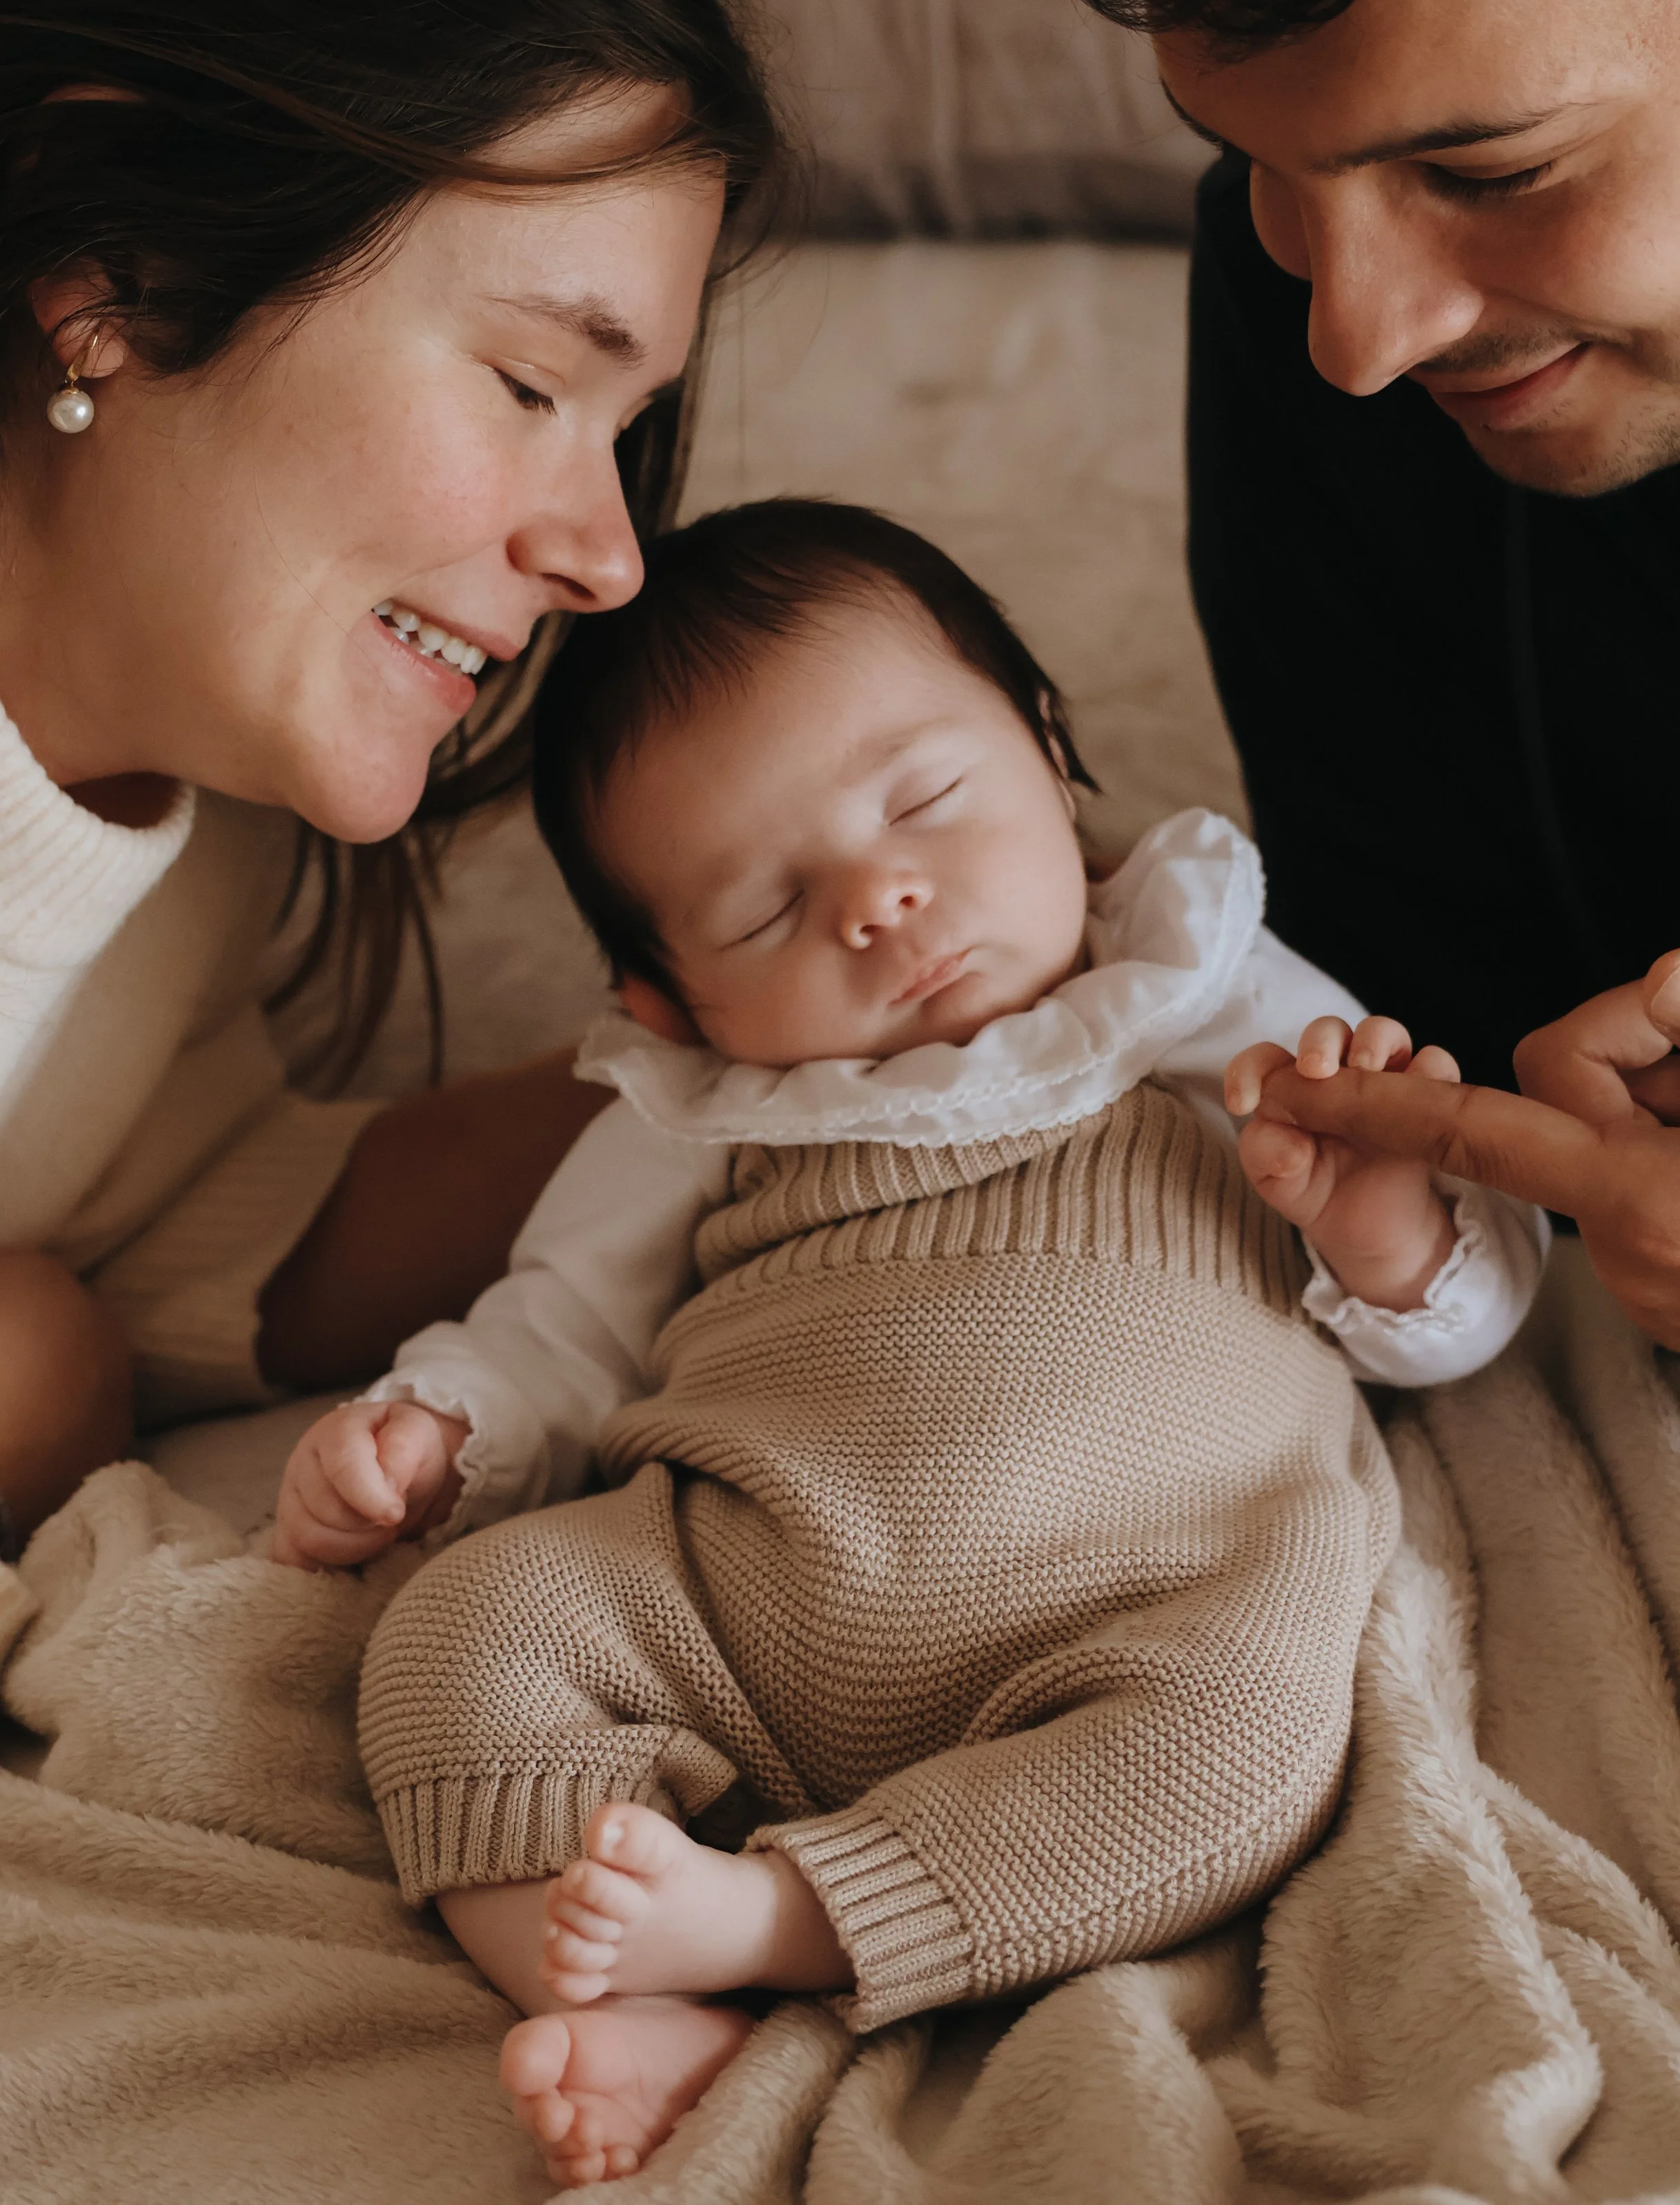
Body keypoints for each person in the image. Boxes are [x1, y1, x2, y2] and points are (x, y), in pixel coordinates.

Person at [288, 502, 1540, 2186]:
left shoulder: (1196, 982)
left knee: (1248, 1747)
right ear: (669, 1009)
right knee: (453, 1634)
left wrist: (1377, 1220)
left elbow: (1460, 1316)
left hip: (1145, 1590)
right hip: (732, 1598)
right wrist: (437, 1432)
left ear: (1044, 747)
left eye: (923, 801)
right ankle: (623, 1986)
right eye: (762, 908)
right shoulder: (697, 1107)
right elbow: (560, 1326)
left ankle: (774, 1922)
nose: (878, 899)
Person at [0, 0, 782, 1559]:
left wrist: (794, 1043)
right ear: (123, 256)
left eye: (627, 427)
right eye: (530, 384)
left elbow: (177, 1206)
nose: (608, 556)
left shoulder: (194, 799)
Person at [980, 0, 1680, 1342]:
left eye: (1490, 170)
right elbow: (1445, 993)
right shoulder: (1300, 290)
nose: (1358, 341)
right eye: (1254, 165)